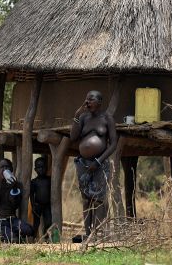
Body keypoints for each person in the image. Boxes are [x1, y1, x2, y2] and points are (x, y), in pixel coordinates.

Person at [70, 90, 118, 241]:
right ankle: (88, 233)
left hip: (100, 164)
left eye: (91, 99)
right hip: (83, 164)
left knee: (98, 199)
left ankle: (98, 234)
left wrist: (98, 162)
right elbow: (73, 137)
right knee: (86, 199)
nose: (87, 102)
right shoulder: (83, 117)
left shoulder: (107, 118)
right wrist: (77, 115)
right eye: (86, 99)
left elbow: (113, 144)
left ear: (99, 102)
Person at [0, 158, 34, 243]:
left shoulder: (16, 185)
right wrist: (1, 182)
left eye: (7, 167)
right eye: (2, 167)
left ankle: (10, 233)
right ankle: (2, 235)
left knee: (28, 230)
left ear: (11, 170)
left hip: (12, 220)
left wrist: (14, 187)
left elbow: (15, 205)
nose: (4, 169)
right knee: (11, 238)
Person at [30, 157, 52, 240]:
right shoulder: (34, 182)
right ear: (35, 169)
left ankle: (46, 238)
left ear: (46, 168)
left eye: (43, 167)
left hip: (47, 205)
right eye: (39, 167)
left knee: (48, 222)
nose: (41, 169)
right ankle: (33, 238)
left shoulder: (49, 180)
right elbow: (31, 194)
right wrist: (33, 206)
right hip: (37, 205)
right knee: (36, 224)